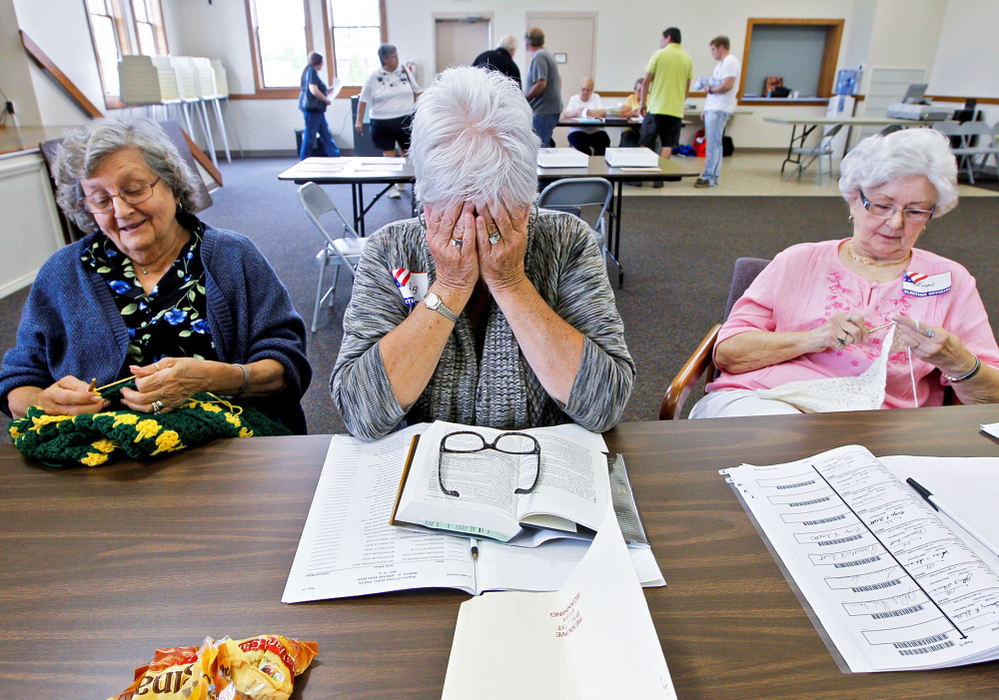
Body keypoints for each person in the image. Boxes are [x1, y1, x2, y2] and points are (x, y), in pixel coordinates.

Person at [331, 66, 634, 441]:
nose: (475, 228)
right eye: (456, 212)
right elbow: (359, 413)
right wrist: (450, 289)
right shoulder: (390, 249)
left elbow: (605, 404)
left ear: (526, 202)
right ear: (425, 204)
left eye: (497, 213)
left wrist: (511, 284)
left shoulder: (568, 241)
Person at [0, 118, 312, 433]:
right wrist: (44, 402)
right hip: (103, 463)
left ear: (173, 186)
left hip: (229, 450)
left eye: (134, 190)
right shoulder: (63, 273)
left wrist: (211, 379)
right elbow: (18, 382)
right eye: (101, 200)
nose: (120, 210)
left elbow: (287, 369)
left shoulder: (232, 257)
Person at [689, 128, 999, 419]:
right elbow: (729, 354)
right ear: (854, 199)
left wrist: (959, 362)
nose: (896, 223)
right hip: (768, 402)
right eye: (881, 205)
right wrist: (816, 338)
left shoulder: (951, 280)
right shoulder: (798, 260)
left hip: (876, 427)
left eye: (915, 211)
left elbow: (992, 399)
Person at [356, 43, 419, 199]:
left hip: (404, 118)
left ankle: (405, 181)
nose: (397, 59)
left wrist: (420, 112)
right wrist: (358, 121)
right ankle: (392, 186)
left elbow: (417, 92)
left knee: (407, 153)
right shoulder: (374, 76)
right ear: (384, 59)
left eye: (397, 55)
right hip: (382, 121)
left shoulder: (404, 71)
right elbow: (363, 100)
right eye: (394, 56)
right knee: (389, 155)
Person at [640, 27, 693, 161]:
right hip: (675, 110)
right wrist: (680, 101)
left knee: (646, 143)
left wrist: (643, 103)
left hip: (656, 108)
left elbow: (646, 81)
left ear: (668, 38)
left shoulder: (659, 54)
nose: (661, 42)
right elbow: (687, 88)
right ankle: (660, 178)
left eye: (662, 39)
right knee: (667, 144)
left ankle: (639, 177)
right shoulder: (687, 58)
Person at [694, 36, 739, 188]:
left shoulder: (730, 62)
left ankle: (709, 176)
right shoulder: (720, 65)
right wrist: (706, 108)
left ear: (721, 47)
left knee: (713, 144)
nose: (712, 53)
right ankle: (713, 175)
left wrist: (711, 89)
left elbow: (727, 85)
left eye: (713, 49)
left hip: (720, 108)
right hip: (713, 108)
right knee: (713, 143)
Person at [523, 27, 563, 149]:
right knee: (543, 145)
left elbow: (541, 84)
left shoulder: (539, 56)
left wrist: (524, 99)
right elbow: (560, 80)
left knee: (538, 148)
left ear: (527, 43)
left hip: (544, 111)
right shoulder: (546, 55)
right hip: (549, 110)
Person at [298, 52, 341, 160]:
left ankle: (335, 156)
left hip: (317, 110)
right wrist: (326, 99)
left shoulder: (309, 71)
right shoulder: (311, 71)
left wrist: (328, 89)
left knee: (325, 133)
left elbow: (315, 88)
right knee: (310, 135)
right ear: (319, 62)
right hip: (312, 109)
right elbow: (313, 90)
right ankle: (304, 159)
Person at [562, 77, 610, 156]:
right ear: (580, 88)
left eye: (588, 90)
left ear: (592, 90)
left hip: (595, 131)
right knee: (583, 148)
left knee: (604, 141)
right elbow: (566, 114)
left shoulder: (596, 97)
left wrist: (590, 112)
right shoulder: (574, 99)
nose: (585, 92)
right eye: (583, 89)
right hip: (577, 131)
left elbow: (603, 112)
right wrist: (576, 112)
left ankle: (598, 164)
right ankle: (586, 165)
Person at [619, 77, 644, 148]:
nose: (641, 93)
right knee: (628, 139)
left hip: (646, 130)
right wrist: (633, 113)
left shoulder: (649, 98)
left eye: (643, 90)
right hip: (631, 130)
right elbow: (622, 114)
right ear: (635, 90)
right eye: (639, 90)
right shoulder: (631, 98)